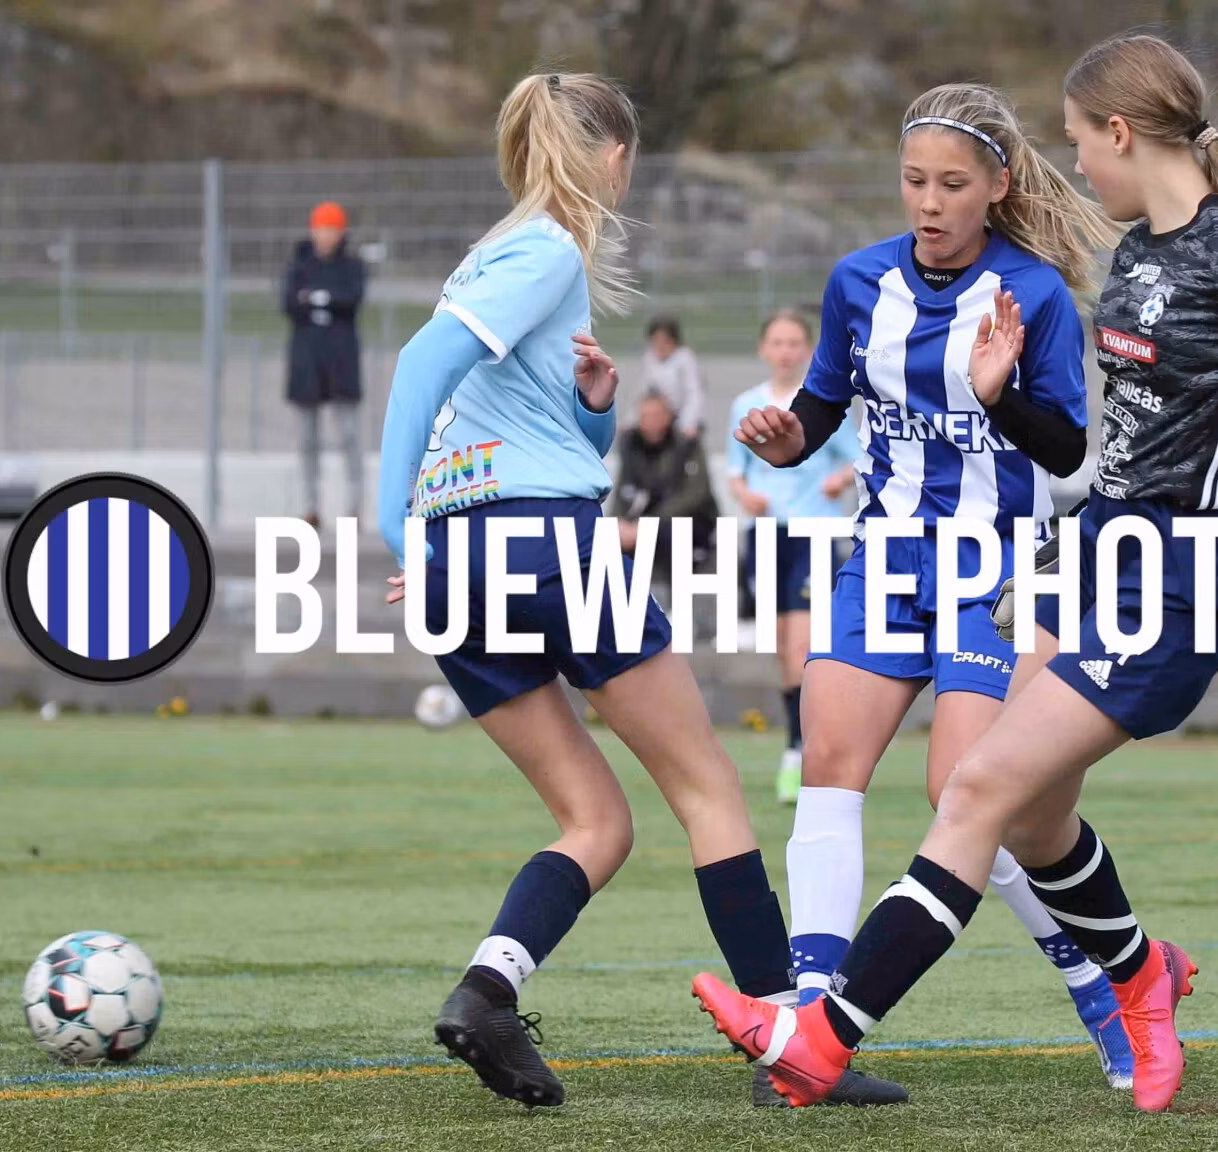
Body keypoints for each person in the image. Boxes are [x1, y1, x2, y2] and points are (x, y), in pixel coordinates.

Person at [694, 33, 1218, 1114]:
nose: (1073, 163)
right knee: (1032, 822)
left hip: (1179, 580)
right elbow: (1125, 448)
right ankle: (1138, 975)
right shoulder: (1134, 257)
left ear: (1120, 133)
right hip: (1091, 560)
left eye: (1081, 139)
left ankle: (817, 1038)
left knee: (973, 790)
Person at [373, 70, 902, 1111]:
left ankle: (487, 994)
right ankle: (790, 1044)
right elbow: (420, 364)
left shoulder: (493, 252)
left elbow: (501, 413)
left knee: (595, 821)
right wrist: (395, 531)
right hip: (542, 545)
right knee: (708, 789)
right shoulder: (545, 249)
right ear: (614, 159)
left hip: (467, 564)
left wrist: (593, 412)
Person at [730, 81, 1142, 1093]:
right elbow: (821, 408)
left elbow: (1066, 448)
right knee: (829, 767)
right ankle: (810, 1027)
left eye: (951, 183)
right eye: (914, 180)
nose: (928, 201)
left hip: (991, 569)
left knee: (964, 794)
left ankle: (1102, 990)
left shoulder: (1032, 295)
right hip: (883, 558)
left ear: (996, 186)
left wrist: (998, 396)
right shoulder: (858, 281)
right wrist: (784, 442)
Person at [727, 308, 861, 805]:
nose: (785, 351)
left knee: (803, 644)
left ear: (807, 350)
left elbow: (857, 457)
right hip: (766, 534)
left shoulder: (820, 405)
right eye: (777, 342)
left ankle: (799, 752)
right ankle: (798, 741)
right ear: (764, 349)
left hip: (815, 532)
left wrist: (839, 478)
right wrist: (745, 494)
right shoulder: (746, 404)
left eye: (793, 343)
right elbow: (736, 469)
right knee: (783, 647)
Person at [282, 200, 367, 529]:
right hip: (307, 362)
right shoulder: (299, 265)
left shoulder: (351, 266)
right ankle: (310, 505)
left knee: (349, 435)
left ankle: (354, 505)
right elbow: (289, 302)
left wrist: (318, 299)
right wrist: (324, 300)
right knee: (307, 439)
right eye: (321, 228)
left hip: (341, 362)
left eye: (332, 229)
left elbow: (350, 299)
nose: (326, 235)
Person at [611, 389, 720, 564]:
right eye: (645, 416)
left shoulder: (687, 445)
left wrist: (648, 526)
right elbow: (623, 489)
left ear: (668, 416)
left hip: (686, 524)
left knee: (671, 534)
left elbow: (696, 494)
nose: (650, 422)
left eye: (656, 415)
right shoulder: (632, 446)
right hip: (644, 522)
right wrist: (617, 522)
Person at [639, 316, 705, 439]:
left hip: (683, 418)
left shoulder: (685, 358)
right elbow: (644, 392)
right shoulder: (649, 359)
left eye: (665, 341)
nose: (661, 346)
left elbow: (694, 394)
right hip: (660, 419)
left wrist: (688, 422)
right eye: (656, 341)